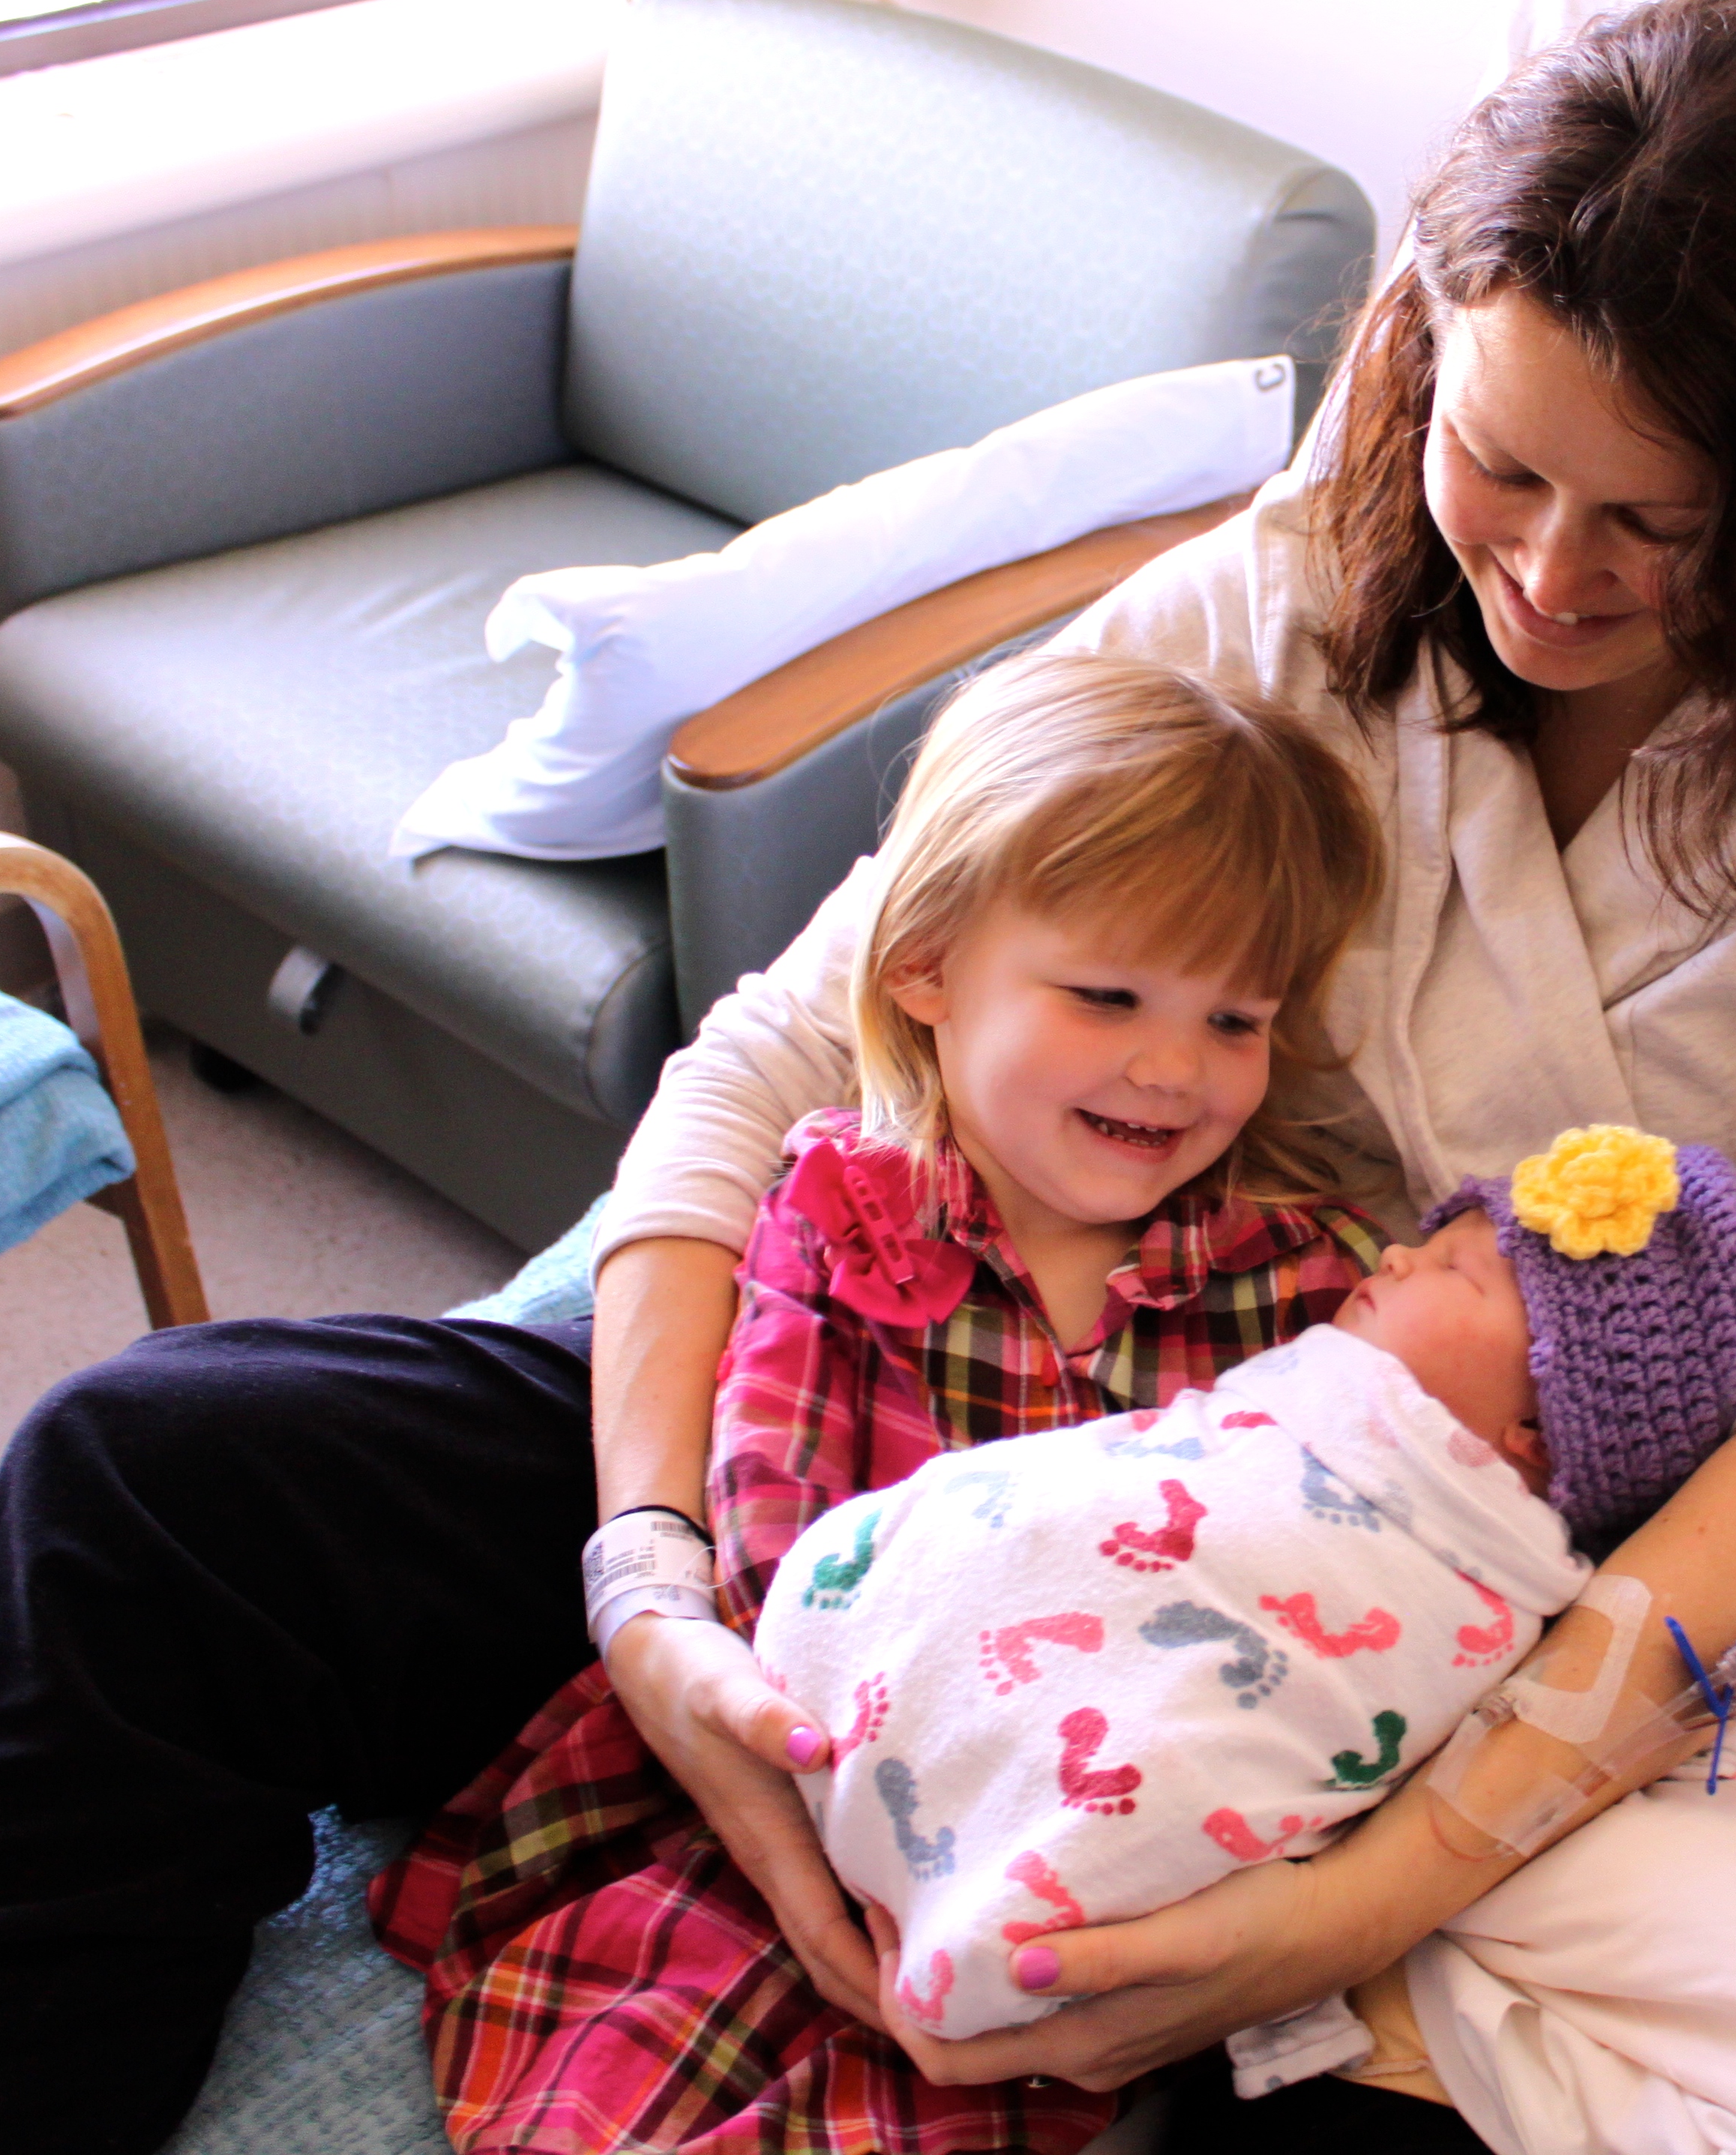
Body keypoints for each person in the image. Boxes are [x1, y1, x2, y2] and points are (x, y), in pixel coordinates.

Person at [0, 0, 1736, 2154]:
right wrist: (654, 1582)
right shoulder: (1293, 587)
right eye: (1501, 465)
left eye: (1656, 525)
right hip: (939, 1374)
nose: (1549, 573)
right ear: (1425, 352)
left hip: (1352, 1602)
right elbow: (782, 1042)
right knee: (154, 1477)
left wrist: (1368, 1897)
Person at [376, 646, 1403, 2154]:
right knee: (640, 2082)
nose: (1175, 1069)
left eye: (1236, 1022)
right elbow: (771, 1536)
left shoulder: (1304, 1281)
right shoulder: (845, 1210)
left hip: (1113, 1851)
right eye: (1108, 995)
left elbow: (1349, 1573)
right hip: (813, 1782)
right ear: (926, 968)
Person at [756, 1128, 1736, 2054]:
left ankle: (1009, 1888)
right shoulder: (1308, 1383)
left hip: (1205, 1686)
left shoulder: (1501, 1569)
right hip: (1010, 1597)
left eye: (1455, 1270)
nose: (1397, 1256)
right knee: (1025, 1533)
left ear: (1539, 1428)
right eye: (1426, 1242)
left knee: (1172, 1742)